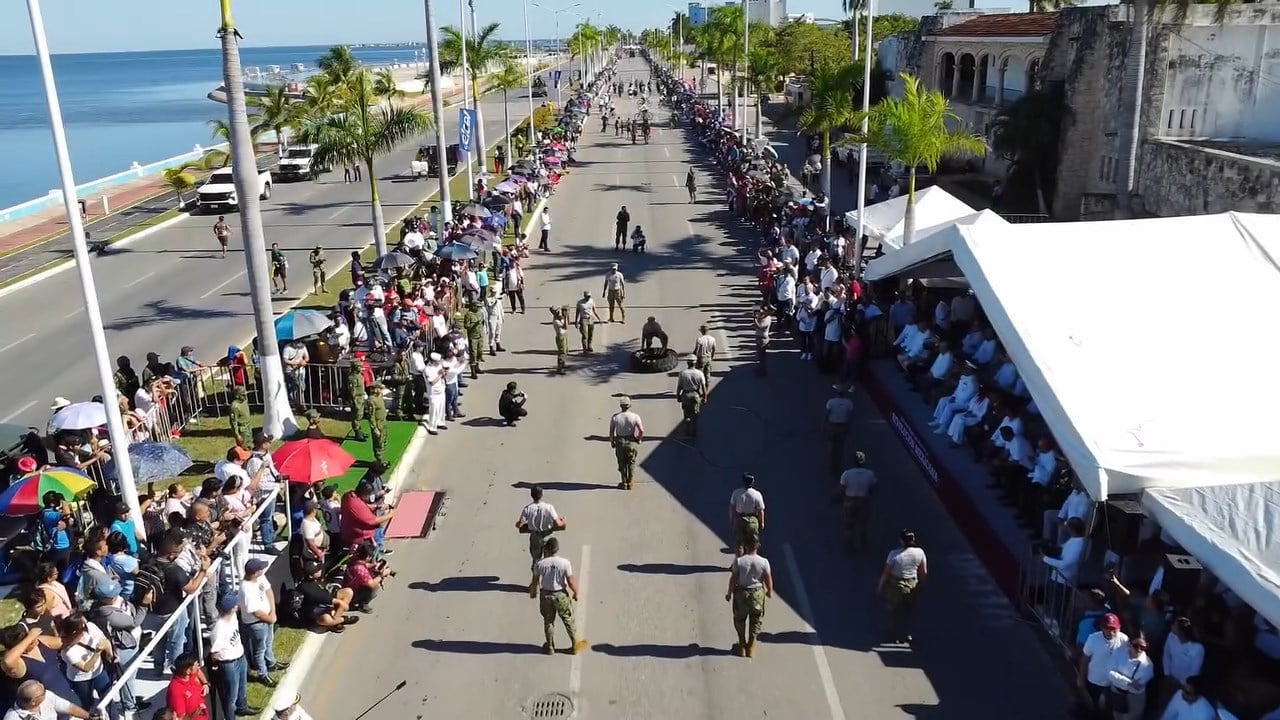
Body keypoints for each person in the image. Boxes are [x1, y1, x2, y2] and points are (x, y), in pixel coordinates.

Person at [529, 538, 587, 655]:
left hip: (546, 595)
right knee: (568, 619)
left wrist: (533, 592)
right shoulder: (565, 563)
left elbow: (535, 581)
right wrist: (576, 592)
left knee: (548, 621)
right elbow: (570, 581)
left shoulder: (539, 564)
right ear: (557, 549)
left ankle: (550, 646)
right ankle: (575, 645)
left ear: (546, 549)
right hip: (560, 595)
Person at [241, 558, 288, 688]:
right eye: (260, 568)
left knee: (269, 642)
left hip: (268, 616)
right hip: (256, 623)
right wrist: (270, 618)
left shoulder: (260, 577)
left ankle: (271, 663)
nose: (263, 570)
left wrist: (273, 611)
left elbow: (269, 591)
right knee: (259, 650)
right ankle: (263, 674)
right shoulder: (246, 588)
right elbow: (255, 612)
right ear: (254, 572)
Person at [209, 592, 257, 718]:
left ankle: (242, 707)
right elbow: (214, 653)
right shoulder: (219, 629)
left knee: (242, 686)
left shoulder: (234, 616)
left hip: (240, 657)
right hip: (228, 664)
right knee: (231, 696)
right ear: (232, 608)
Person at [725, 535, 772, 657]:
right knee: (755, 620)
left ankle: (741, 645)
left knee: (740, 620)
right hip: (757, 594)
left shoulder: (739, 561)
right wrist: (769, 591)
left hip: (741, 593)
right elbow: (768, 579)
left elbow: (733, 578)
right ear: (758, 546)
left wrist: (729, 593)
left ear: (745, 545)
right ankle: (750, 645)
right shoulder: (764, 562)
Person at [877, 530, 927, 644]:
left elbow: (886, 573)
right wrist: (921, 585)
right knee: (909, 610)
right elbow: (923, 572)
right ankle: (907, 634)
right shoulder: (920, 552)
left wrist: (880, 586)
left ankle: (891, 634)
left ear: (901, 541)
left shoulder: (894, 554)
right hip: (912, 584)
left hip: (896, 585)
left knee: (893, 611)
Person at [297, 562, 359, 633]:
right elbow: (321, 597)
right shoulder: (305, 586)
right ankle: (343, 619)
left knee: (348, 592)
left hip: (329, 599)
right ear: (311, 575)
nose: (320, 570)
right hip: (317, 611)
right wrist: (339, 602)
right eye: (317, 570)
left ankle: (336, 618)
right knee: (325, 619)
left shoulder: (317, 577)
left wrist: (341, 569)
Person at [516, 485, 566, 570]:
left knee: (536, 559)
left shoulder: (527, 509)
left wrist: (517, 524)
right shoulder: (549, 507)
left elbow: (520, 525)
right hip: (548, 535)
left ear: (531, 495)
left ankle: (535, 579)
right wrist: (564, 521)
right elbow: (558, 523)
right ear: (542, 495)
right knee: (549, 560)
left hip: (535, 537)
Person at [838, 452, 877, 552]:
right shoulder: (870, 474)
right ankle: (863, 547)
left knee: (849, 526)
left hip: (850, 501)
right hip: (863, 501)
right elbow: (873, 487)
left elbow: (842, 488)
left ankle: (850, 548)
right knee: (862, 525)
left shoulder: (847, 474)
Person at [2, 680, 94, 720]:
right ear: (33, 701)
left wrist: (90, 717)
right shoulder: (12, 718)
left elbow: (70, 708)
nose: (46, 692)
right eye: (43, 692)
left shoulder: (48, 696)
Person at [608, 397, 644, 490]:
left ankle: (624, 482)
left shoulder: (615, 417)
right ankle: (630, 482)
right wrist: (638, 439)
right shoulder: (635, 416)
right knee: (631, 462)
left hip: (620, 442)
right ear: (629, 406)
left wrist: (612, 441)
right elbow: (641, 430)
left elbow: (611, 431)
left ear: (621, 406)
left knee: (622, 462)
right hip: (631, 441)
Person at [164, 654, 210, 720]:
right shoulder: (176, 691)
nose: (198, 666)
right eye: (196, 665)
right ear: (188, 671)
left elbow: (198, 672)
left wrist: (205, 683)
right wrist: (194, 714)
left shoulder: (189, 676)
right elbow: (179, 718)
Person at [728, 474, 765, 551]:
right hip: (752, 520)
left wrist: (731, 520)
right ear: (752, 482)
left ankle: (739, 561)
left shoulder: (736, 493)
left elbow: (732, 507)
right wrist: (761, 523)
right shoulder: (757, 494)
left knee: (739, 543)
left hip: (739, 519)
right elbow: (761, 510)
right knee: (752, 543)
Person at [675, 356, 708, 437]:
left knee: (686, 414)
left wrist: (678, 396)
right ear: (695, 363)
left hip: (686, 395)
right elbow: (703, 387)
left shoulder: (683, 373)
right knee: (695, 414)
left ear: (687, 363)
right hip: (696, 395)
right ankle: (694, 432)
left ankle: (687, 431)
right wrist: (705, 397)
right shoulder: (700, 373)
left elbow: (679, 386)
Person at [346, 364, 368, 442]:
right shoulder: (352, 378)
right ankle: (357, 432)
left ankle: (360, 430)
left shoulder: (359, 375)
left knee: (360, 415)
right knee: (356, 416)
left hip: (361, 397)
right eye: (359, 366)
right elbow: (352, 391)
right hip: (356, 398)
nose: (361, 368)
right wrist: (354, 401)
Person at [550, 307, 569, 374]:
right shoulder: (556, 321)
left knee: (566, 350)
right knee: (562, 352)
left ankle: (563, 364)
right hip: (560, 337)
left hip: (564, 335)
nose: (559, 312)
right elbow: (565, 326)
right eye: (557, 311)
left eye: (559, 311)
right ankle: (560, 368)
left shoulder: (560, 318)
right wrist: (565, 316)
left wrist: (567, 315)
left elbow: (567, 323)